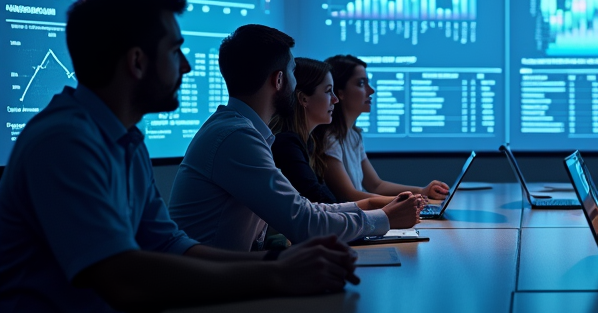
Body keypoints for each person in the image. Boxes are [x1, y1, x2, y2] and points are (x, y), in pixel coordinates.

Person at [0, 0, 359, 313]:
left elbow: (170, 244)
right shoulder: (65, 142)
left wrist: (280, 262)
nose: (186, 66)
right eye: (175, 51)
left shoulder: (123, 141)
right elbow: (121, 276)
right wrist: (277, 274)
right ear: (137, 62)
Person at [169, 27, 420, 252]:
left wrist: (380, 213)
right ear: (278, 80)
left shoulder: (241, 131)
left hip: (223, 281)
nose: (296, 83)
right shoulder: (236, 137)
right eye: (293, 73)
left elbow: (304, 209)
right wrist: (383, 219)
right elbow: (304, 223)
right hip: (209, 293)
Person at [270, 57, 417, 211]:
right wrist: (401, 201)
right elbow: (329, 199)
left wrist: (416, 195)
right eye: (328, 91)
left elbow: (327, 201)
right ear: (303, 99)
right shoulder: (291, 143)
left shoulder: (310, 142)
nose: (334, 99)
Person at [320, 55, 450, 203]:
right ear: (340, 92)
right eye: (361, 83)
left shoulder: (353, 136)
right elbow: (349, 196)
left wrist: (422, 191)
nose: (371, 91)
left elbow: (376, 185)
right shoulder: (329, 140)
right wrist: (408, 201)